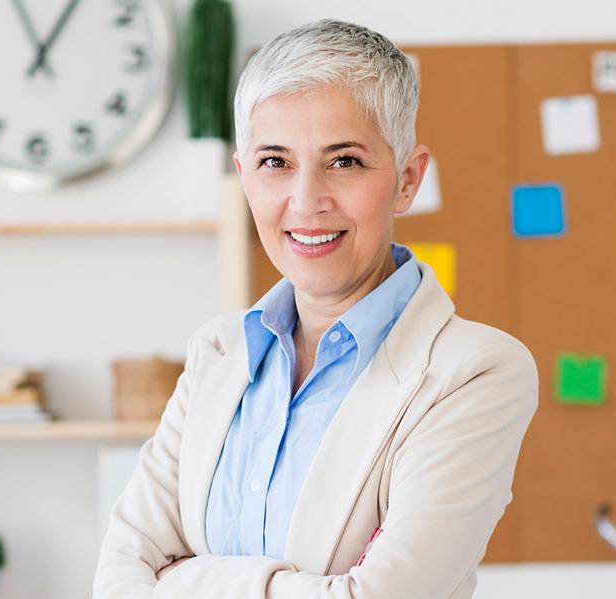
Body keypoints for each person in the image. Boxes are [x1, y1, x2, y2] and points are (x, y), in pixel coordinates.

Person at [93, 18, 537, 598]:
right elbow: (117, 582)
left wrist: (183, 581)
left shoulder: (474, 372)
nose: (307, 201)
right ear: (244, 178)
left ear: (407, 179)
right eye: (275, 162)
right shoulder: (219, 352)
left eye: (345, 160)